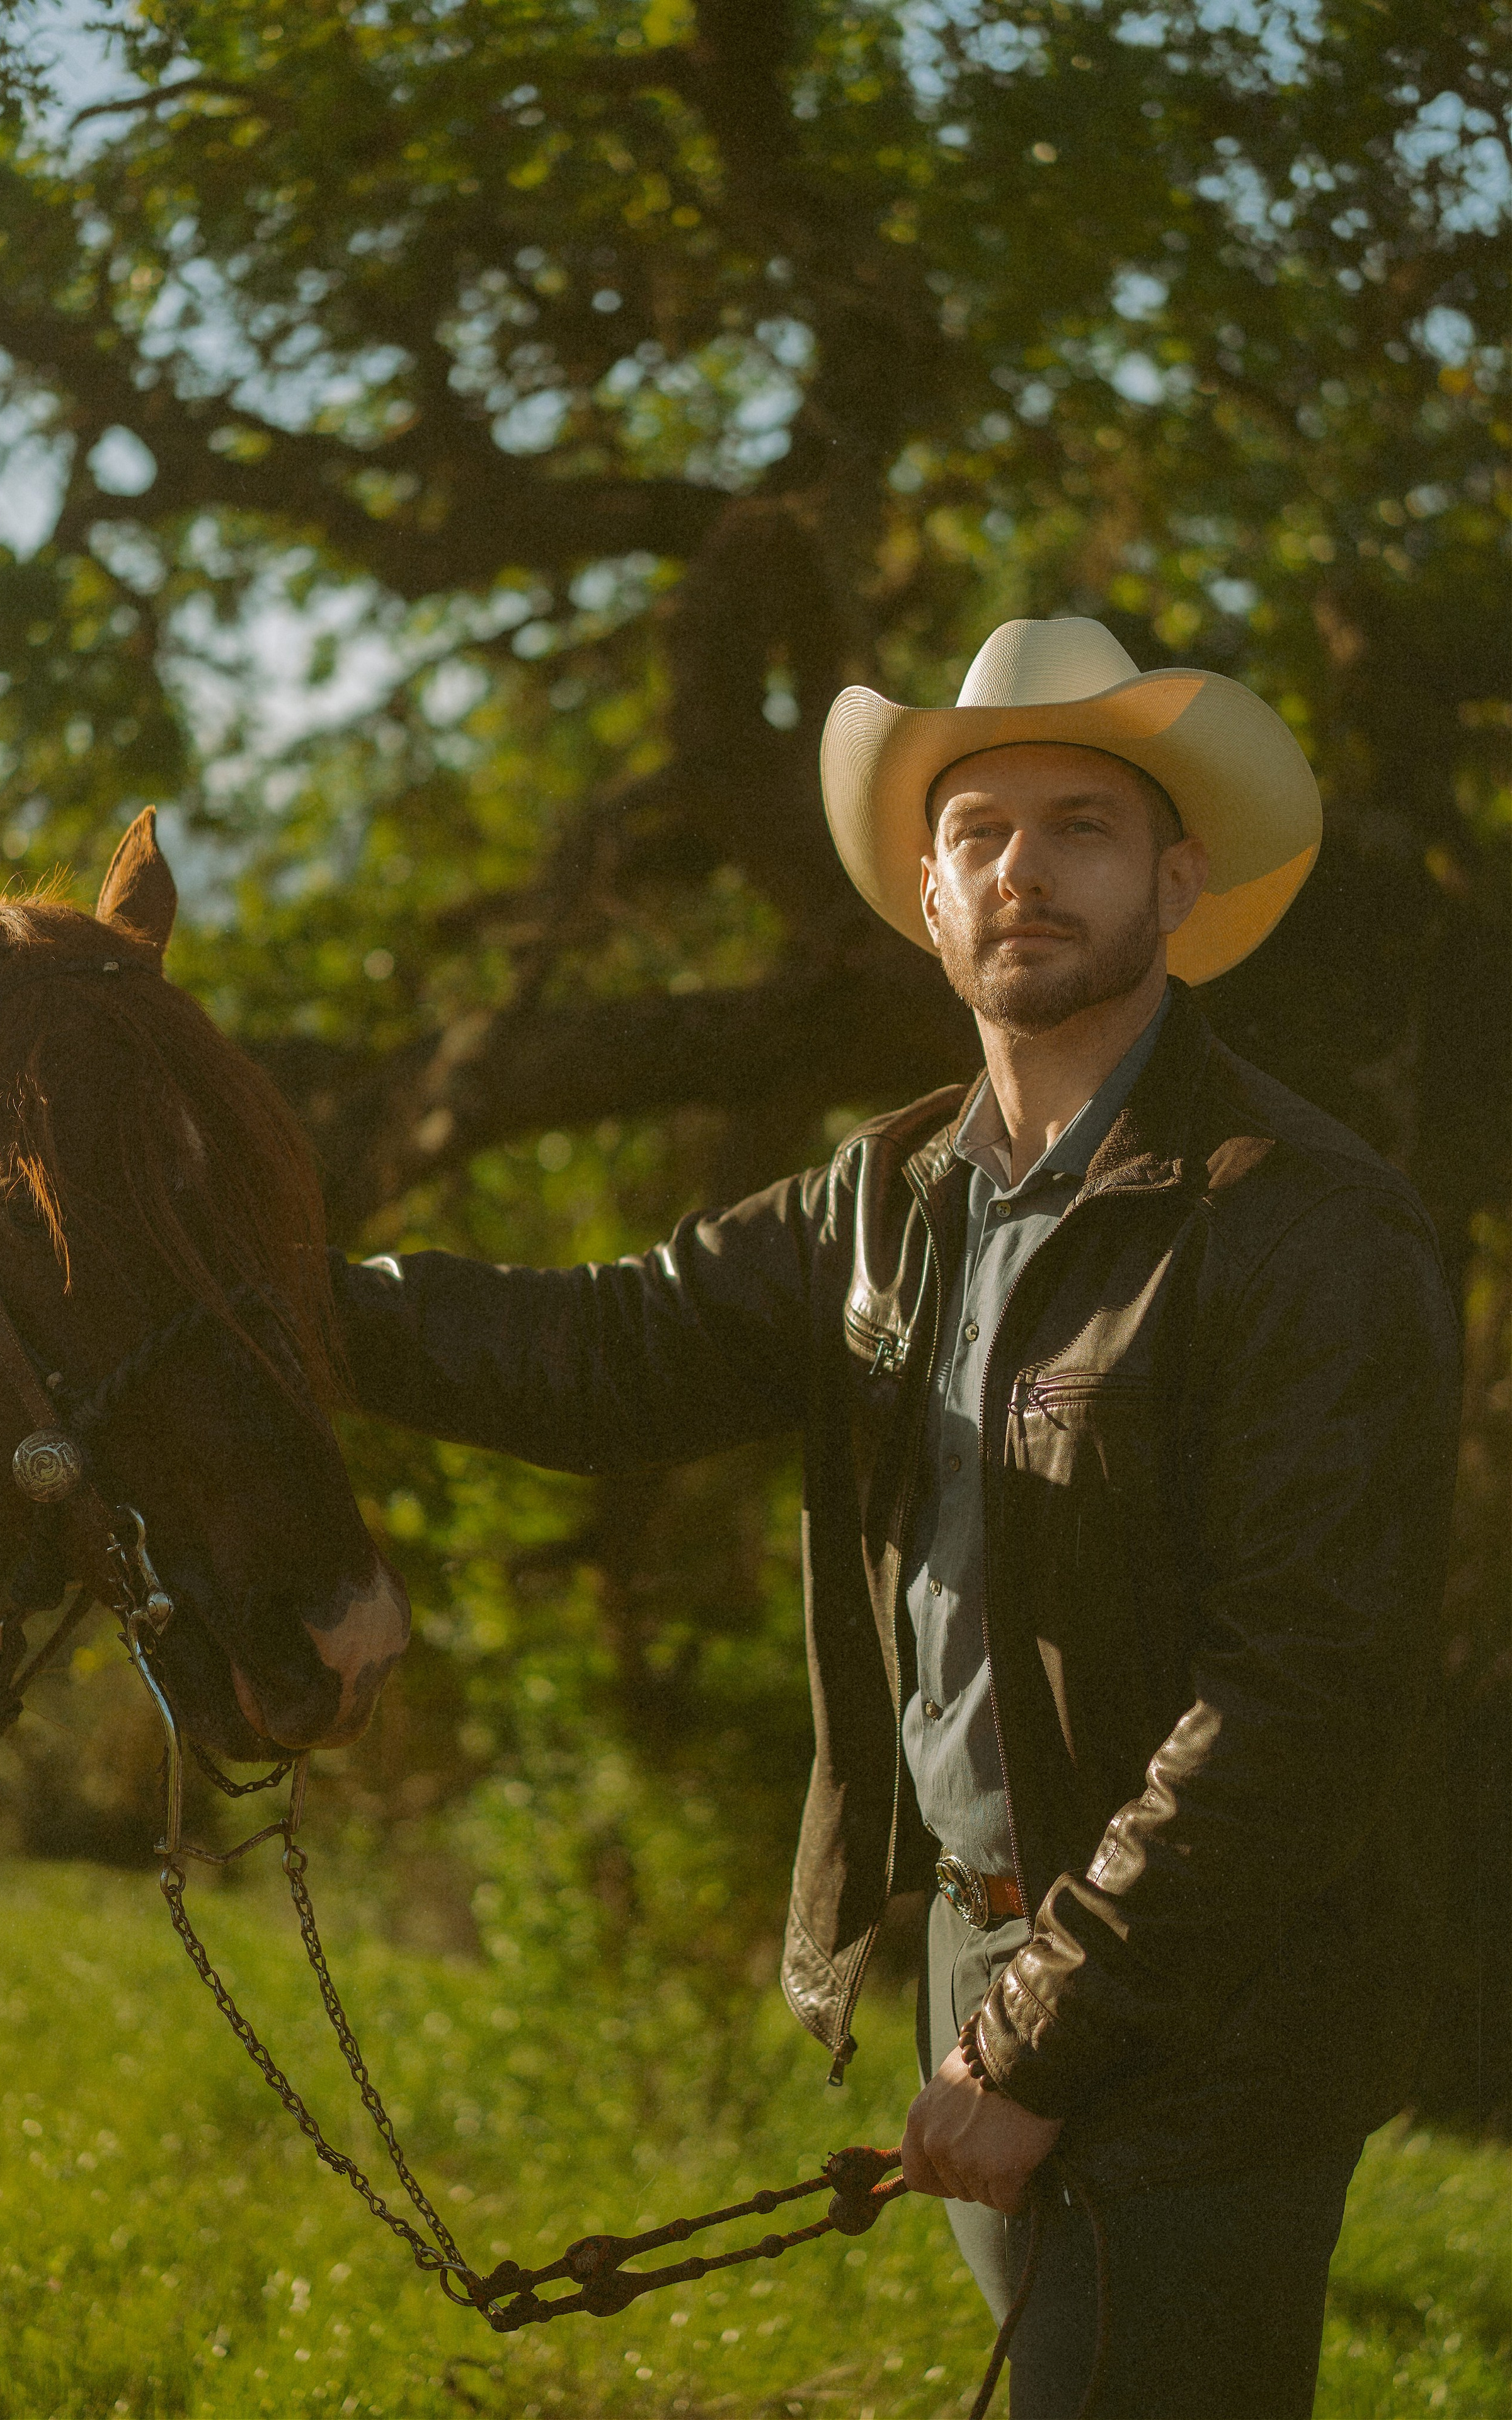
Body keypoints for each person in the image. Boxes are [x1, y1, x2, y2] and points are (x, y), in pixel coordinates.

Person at [331, 617, 1461, 2419]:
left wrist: (1040, 2033)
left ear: (1176, 880)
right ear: (931, 901)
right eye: (979, 833)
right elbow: (608, 1349)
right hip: (980, 1946)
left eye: (1079, 825)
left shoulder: (1303, 1222)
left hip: (1200, 2004)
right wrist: (288, 1304)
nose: (1023, 868)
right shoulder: (886, 1202)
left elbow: (1305, 1700)